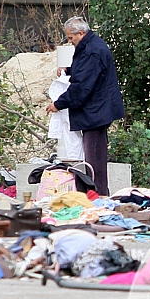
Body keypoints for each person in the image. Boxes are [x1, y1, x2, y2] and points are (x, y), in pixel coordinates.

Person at [46, 17, 125, 196]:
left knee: (94, 158)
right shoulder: (91, 46)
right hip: (97, 109)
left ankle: (97, 195)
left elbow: (82, 87)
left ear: (80, 33)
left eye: (70, 37)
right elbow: (84, 71)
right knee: (92, 156)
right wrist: (68, 70)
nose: (69, 41)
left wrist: (58, 104)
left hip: (96, 112)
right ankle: (92, 192)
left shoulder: (91, 51)